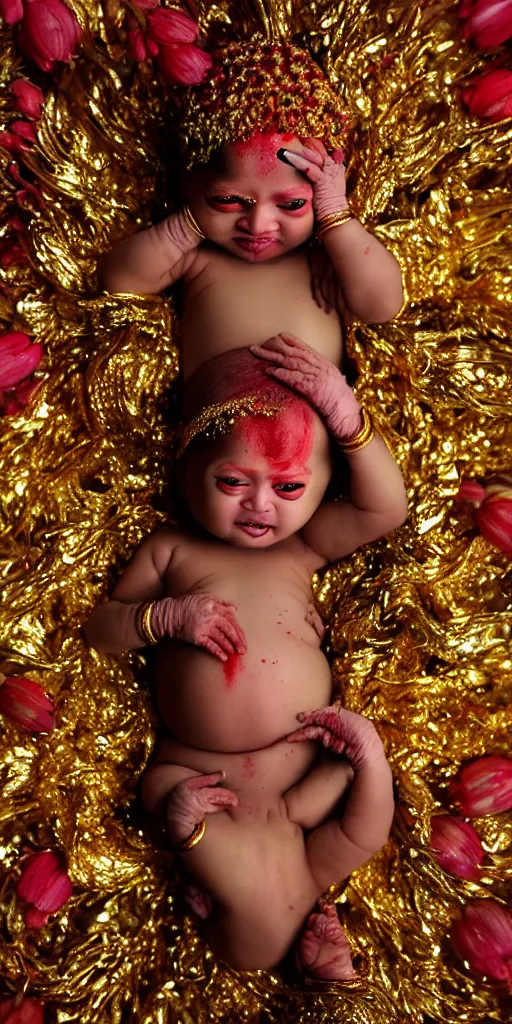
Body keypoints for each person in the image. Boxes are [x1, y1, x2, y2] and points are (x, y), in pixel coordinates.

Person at [84, 336, 406, 976]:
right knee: (276, 903)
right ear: (187, 470)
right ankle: (278, 935)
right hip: (214, 775)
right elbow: (102, 629)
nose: (260, 507)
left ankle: (198, 844)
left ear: (320, 490)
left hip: (264, 794)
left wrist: (349, 420)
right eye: (232, 481)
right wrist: (162, 617)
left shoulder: (302, 549)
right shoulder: (174, 551)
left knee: (261, 922)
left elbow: (384, 508)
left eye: (289, 486)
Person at [98, 43, 404, 384]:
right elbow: (119, 280)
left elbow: (383, 304)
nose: (258, 224)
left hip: (322, 425)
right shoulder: (200, 260)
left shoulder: (325, 264)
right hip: (217, 425)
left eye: (291, 205)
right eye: (227, 200)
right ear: (190, 185)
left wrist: (336, 219)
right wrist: (185, 228)